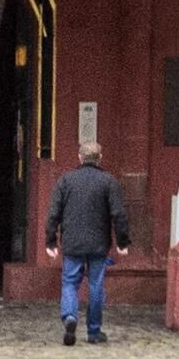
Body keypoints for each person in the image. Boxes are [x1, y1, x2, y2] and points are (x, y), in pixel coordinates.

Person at [42, 140, 131, 345]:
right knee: (96, 286)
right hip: (99, 243)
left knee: (70, 283)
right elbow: (119, 214)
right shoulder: (108, 181)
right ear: (100, 159)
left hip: (72, 242)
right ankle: (93, 331)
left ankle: (70, 316)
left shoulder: (66, 181)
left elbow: (54, 213)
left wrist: (50, 242)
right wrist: (122, 242)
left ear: (79, 158)